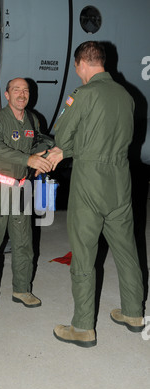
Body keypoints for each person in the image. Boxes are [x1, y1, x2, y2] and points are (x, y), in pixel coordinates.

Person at [47, 41, 145, 347]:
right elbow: (106, 139)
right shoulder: (127, 95)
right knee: (127, 250)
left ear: (81, 64)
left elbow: (63, 136)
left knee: (85, 254)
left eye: (77, 68)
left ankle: (83, 327)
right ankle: (133, 313)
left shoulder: (83, 95)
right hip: (120, 178)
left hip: (91, 180)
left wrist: (60, 150)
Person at [0, 77, 55, 317]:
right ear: (7, 95)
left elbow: (40, 139)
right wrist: (28, 160)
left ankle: (22, 290)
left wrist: (46, 152)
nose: (22, 94)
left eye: (26, 90)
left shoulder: (33, 119)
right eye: (16, 90)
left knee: (23, 243)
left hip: (21, 189)